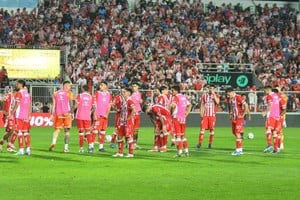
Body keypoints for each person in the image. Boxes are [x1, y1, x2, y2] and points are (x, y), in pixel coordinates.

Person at [49, 80, 74, 152]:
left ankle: (53, 143)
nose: (70, 87)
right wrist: (72, 113)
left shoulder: (56, 93)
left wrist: (51, 115)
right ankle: (66, 148)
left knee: (57, 130)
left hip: (58, 114)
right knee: (67, 131)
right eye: (69, 86)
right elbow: (71, 103)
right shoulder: (69, 93)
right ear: (66, 86)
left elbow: (53, 105)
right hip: (67, 114)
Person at [9, 80, 32, 155]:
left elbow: (17, 104)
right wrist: (29, 115)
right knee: (25, 132)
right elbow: (29, 106)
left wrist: (11, 113)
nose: (16, 85)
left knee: (19, 132)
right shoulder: (28, 94)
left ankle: (21, 149)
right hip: (25, 115)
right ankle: (28, 149)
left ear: (21, 85)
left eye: (17, 84)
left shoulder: (19, 93)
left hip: (19, 115)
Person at [225, 87, 249, 156]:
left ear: (232, 92)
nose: (228, 96)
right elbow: (229, 106)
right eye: (227, 95)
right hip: (233, 118)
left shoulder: (238, 97)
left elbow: (246, 105)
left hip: (239, 118)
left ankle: (239, 150)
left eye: (229, 94)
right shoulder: (230, 99)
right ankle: (239, 148)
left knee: (237, 133)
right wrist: (230, 113)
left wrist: (243, 114)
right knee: (235, 133)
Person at [113, 87, 136, 158]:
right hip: (122, 121)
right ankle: (120, 152)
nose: (123, 93)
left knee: (129, 137)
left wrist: (129, 118)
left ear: (129, 93)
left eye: (124, 92)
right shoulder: (124, 101)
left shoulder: (130, 101)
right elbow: (120, 110)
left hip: (128, 122)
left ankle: (131, 153)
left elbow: (134, 110)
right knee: (119, 136)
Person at [170, 85, 192, 157]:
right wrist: (187, 113)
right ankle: (186, 152)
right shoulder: (183, 97)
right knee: (183, 136)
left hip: (176, 118)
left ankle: (179, 152)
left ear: (176, 91)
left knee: (178, 136)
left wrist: (170, 113)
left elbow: (172, 105)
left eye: (172, 90)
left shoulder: (176, 97)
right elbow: (190, 105)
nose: (172, 92)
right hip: (183, 118)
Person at [196, 85, 220, 149]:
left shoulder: (216, 95)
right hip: (205, 115)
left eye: (212, 88)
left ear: (214, 89)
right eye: (210, 88)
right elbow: (202, 105)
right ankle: (200, 143)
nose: (211, 89)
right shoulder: (205, 96)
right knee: (202, 129)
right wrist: (201, 112)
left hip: (212, 115)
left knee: (212, 130)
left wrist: (213, 94)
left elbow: (217, 102)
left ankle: (210, 144)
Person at [92, 81, 112, 152]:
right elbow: (94, 105)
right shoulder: (97, 93)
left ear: (106, 86)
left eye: (102, 85)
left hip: (105, 116)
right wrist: (94, 114)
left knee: (103, 131)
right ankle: (91, 147)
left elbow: (109, 105)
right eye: (100, 85)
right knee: (95, 131)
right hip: (98, 115)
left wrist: (107, 114)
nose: (100, 86)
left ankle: (101, 147)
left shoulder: (109, 95)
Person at [74, 85, 93, 153]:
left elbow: (76, 105)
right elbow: (93, 107)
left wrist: (71, 111)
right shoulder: (91, 97)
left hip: (79, 116)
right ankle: (90, 147)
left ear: (82, 89)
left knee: (81, 133)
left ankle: (81, 148)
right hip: (87, 117)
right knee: (88, 132)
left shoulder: (80, 95)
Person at [262, 86, 281, 153]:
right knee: (275, 133)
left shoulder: (269, 96)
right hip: (277, 116)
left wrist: (265, 112)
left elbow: (270, 105)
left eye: (265, 90)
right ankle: (276, 149)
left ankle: (269, 144)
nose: (264, 92)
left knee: (268, 129)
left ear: (268, 90)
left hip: (271, 115)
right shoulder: (276, 95)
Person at [0, 88, 17, 152]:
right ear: (15, 92)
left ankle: (8, 147)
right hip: (8, 115)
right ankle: (2, 142)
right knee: (11, 130)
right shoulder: (9, 96)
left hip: (11, 115)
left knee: (9, 131)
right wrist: (3, 110)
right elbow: (2, 101)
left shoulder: (12, 97)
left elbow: (2, 101)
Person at [274, 85, 287, 150]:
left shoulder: (283, 96)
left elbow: (284, 107)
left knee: (280, 131)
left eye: (278, 88)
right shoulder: (274, 96)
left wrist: (283, 118)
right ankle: (277, 145)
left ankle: (281, 144)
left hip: (281, 116)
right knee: (275, 131)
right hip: (274, 116)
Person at [131, 82, 143, 149]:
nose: (133, 87)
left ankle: (135, 143)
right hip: (132, 113)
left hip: (137, 113)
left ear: (138, 87)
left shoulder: (139, 94)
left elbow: (140, 101)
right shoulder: (131, 95)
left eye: (135, 86)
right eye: (133, 86)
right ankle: (130, 143)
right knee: (131, 129)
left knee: (136, 129)